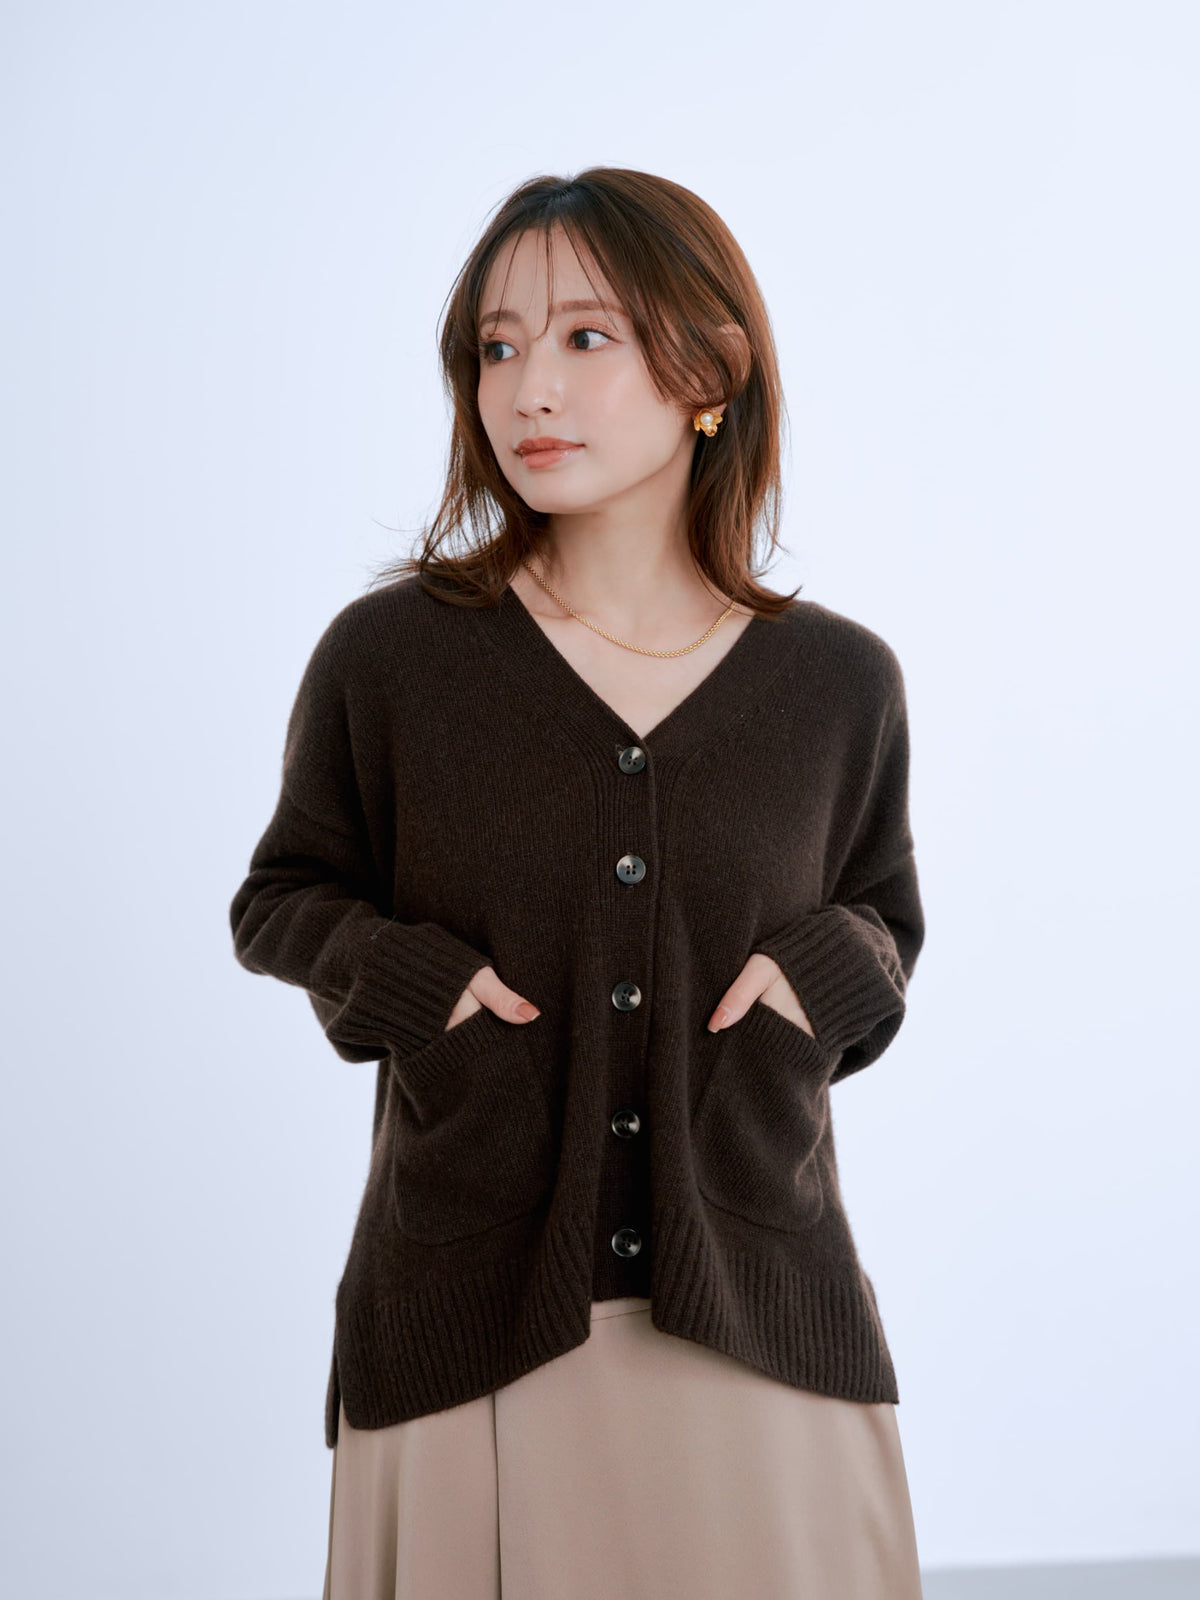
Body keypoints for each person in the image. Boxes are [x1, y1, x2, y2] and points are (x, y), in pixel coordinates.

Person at [230, 165, 927, 1600]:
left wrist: (821, 978)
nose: (528, 389)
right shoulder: (395, 660)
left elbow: (884, 917)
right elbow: (285, 896)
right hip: (472, 1314)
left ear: (710, 373)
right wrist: (419, 991)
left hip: (757, 1315)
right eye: (496, 348)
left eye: (585, 338)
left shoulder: (837, 683)